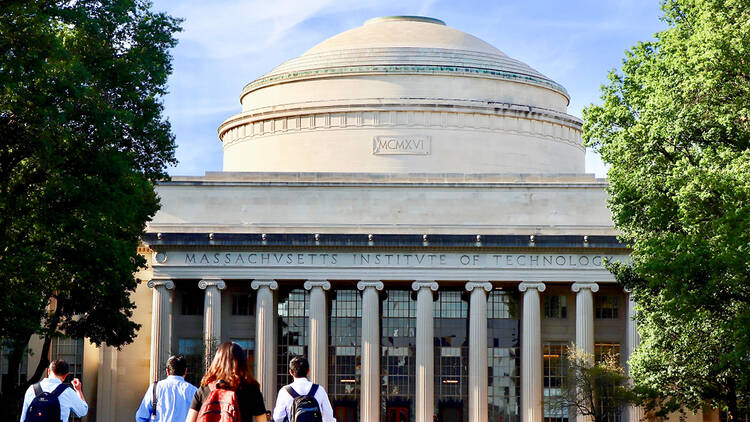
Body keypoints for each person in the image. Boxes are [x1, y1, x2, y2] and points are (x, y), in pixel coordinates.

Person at [186, 342, 266, 422]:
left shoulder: (204, 389)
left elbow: (190, 420)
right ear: (242, 363)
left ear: (217, 361)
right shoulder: (251, 389)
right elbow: (262, 420)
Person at [19, 359, 88, 422]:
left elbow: (23, 417)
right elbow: (83, 411)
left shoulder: (32, 389)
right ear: (66, 375)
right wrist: (78, 390)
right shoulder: (67, 391)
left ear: (49, 371)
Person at [135, 354, 197, 422]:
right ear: (186, 371)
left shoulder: (155, 388)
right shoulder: (194, 391)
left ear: (167, 371)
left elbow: (141, 416)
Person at [272, 356, 335, 422]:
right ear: (308, 371)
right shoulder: (319, 389)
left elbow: (278, 418)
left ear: (291, 372)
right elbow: (329, 417)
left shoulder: (284, 391)